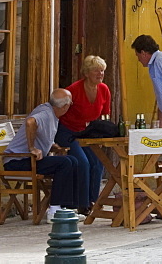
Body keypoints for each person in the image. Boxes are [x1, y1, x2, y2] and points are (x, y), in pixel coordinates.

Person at [3, 89, 80, 222]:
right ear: (65, 106)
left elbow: (42, 134)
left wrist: (53, 146)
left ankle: (65, 207)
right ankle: (55, 210)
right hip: (16, 161)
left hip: (28, 160)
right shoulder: (46, 113)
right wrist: (32, 148)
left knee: (72, 160)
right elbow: (30, 122)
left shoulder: (51, 112)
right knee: (65, 163)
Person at [57, 55, 111, 213]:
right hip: (68, 130)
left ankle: (93, 200)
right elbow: (60, 113)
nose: (100, 74)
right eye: (96, 70)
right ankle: (82, 203)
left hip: (89, 132)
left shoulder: (104, 89)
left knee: (98, 162)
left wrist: (101, 135)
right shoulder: (74, 90)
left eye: (102, 70)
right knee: (83, 162)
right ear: (87, 73)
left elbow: (105, 115)